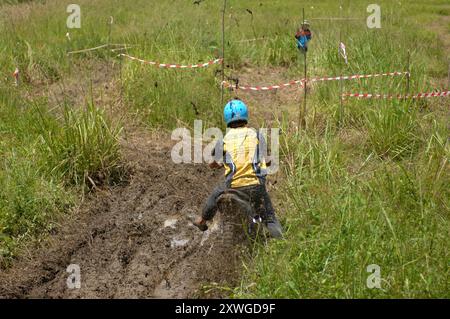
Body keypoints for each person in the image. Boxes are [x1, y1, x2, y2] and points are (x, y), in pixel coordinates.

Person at [193, 99, 283, 238]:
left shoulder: (224, 139)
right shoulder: (257, 135)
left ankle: (203, 219)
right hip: (256, 186)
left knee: (216, 194)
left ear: (227, 119)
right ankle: (280, 241)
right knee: (269, 218)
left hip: (233, 186)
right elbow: (269, 161)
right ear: (246, 116)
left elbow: (211, 163)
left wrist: (221, 164)